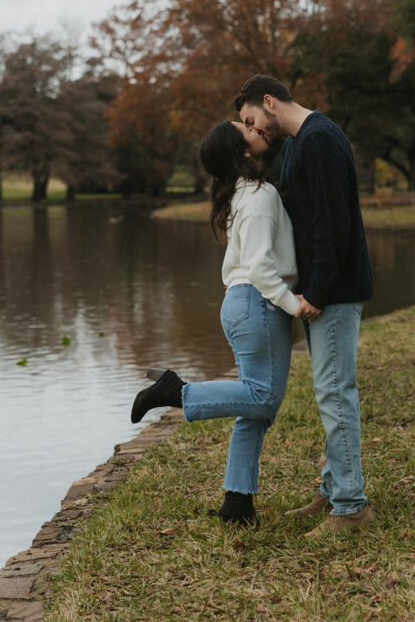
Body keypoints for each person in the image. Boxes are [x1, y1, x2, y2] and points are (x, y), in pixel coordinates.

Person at [130, 119, 301, 527]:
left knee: (254, 407)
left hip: (244, 306)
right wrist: (292, 304)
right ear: (243, 153)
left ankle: (237, 503)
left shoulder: (243, 193)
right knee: (262, 398)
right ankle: (178, 391)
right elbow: (260, 266)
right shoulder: (258, 196)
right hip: (258, 303)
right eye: (248, 132)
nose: (257, 130)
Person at [235, 74, 375, 537]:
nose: (255, 130)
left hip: (331, 293)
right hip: (318, 291)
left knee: (336, 394)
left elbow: (333, 225)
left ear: (270, 101)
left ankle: (351, 507)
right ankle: (334, 489)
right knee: (329, 393)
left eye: (253, 119)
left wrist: (316, 292)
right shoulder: (297, 143)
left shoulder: (320, 140)